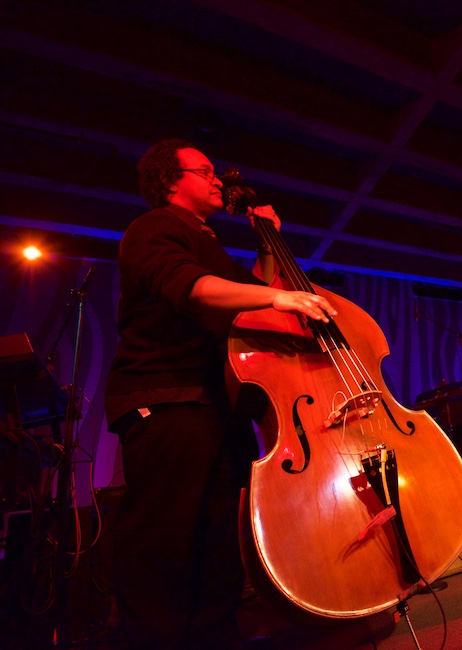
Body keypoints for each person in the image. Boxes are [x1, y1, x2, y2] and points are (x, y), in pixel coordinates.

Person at [105, 139, 337, 649]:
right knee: (165, 534)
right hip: (166, 394)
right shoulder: (156, 228)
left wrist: (266, 248)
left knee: (217, 536)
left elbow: (247, 303)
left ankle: (214, 635)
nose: (218, 180)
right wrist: (280, 294)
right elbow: (194, 288)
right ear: (171, 180)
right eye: (205, 171)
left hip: (217, 400)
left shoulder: (208, 242)